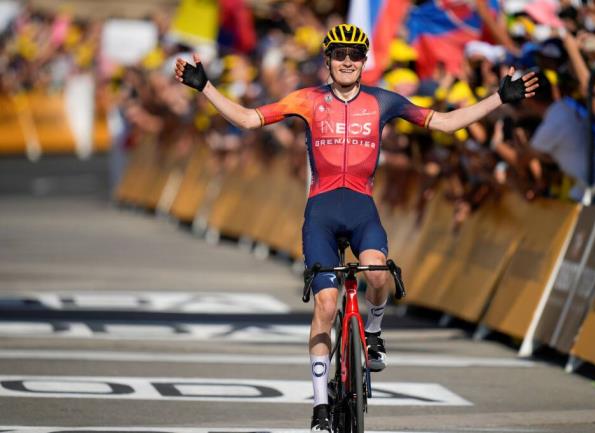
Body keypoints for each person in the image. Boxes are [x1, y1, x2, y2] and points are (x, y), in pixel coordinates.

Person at [175, 24, 538, 432]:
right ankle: (319, 407)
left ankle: (375, 330)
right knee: (326, 305)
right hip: (321, 214)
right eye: (340, 54)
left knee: (379, 274)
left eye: (356, 55)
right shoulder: (307, 100)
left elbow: (446, 124)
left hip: (362, 209)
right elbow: (247, 118)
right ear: (327, 60)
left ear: (364, 61)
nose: (348, 61)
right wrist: (204, 86)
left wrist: (497, 99)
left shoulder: (383, 101)